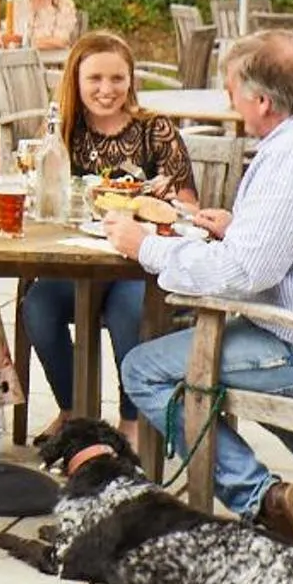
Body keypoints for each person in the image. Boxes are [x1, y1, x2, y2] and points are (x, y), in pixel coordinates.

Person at [115, 31, 293, 571]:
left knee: (148, 371)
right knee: (236, 365)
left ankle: (264, 502)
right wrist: (239, 226)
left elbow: (242, 275)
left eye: (233, 92)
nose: (231, 103)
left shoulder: (291, 156)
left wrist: (147, 247)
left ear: (263, 101)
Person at [19, 32, 199, 443]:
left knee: (128, 313)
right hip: (78, 258)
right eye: (95, 79)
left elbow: (188, 206)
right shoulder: (62, 131)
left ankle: (131, 422)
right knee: (38, 306)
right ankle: (73, 413)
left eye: (118, 79)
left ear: (131, 80)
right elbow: (40, 196)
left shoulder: (155, 129)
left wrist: (163, 198)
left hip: (137, 264)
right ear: (75, 81)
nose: (107, 90)